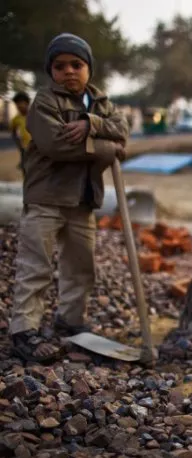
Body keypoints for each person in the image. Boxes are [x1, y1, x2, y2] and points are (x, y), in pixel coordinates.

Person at [10, 33, 129, 363]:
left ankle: (70, 321)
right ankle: (23, 331)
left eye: (77, 64)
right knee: (36, 266)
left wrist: (92, 123)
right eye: (60, 66)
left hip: (83, 199)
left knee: (80, 266)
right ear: (51, 72)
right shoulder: (45, 103)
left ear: (89, 68)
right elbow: (56, 146)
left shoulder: (101, 103)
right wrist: (108, 147)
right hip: (47, 197)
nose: (69, 72)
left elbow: (123, 129)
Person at [9, 91, 32, 173]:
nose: (19, 107)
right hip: (25, 149)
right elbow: (13, 133)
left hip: (37, 148)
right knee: (25, 170)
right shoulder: (16, 119)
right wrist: (19, 145)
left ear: (27, 104)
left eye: (22, 104)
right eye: (17, 105)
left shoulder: (35, 115)